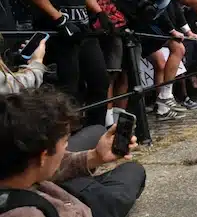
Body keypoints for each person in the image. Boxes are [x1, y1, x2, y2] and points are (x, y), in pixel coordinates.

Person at [20, 0, 113, 128]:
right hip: (57, 31)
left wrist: (99, 13)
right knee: (67, 90)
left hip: (82, 27)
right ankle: (63, 148)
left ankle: (94, 137)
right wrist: (58, 18)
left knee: (100, 81)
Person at [0, 88, 146, 217]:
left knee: (97, 130)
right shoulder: (27, 212)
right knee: (133, 170)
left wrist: (95, 156)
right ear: (43, 156)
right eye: (64, 142)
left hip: (50, 185)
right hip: (79, 205)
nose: (67, 145)